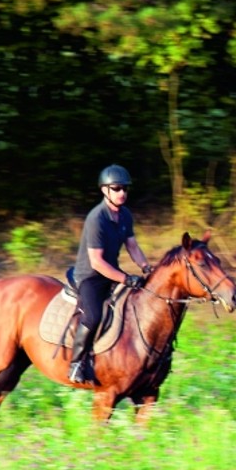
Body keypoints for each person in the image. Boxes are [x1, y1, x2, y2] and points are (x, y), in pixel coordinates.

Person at [69, 164, 152, 384]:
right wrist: (126, 278)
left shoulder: (125, 215)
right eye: (116, 188)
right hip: (90, 276)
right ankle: (76, 363)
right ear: (105, 190)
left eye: (124, 188)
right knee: (94, 315)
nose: (122, 193)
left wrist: (146, 267)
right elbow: (96, 262)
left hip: (111, 273)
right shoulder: (97, 218)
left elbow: (132, 246)